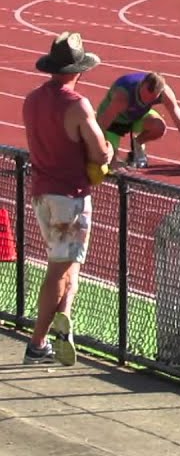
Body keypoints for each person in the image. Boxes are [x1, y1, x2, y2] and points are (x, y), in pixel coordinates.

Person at [21, 32, 113, 366]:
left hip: (42, 192)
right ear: (79, 70)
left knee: (70, 264)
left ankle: (64, 326)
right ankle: (37, 343)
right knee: (59, 270)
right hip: (69, 197)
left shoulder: (32, 100)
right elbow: (100, 152)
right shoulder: (77, 104)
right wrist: (109, 151)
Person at [95, 71, 180, 172]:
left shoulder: (165, 94)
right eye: (143, 97)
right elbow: (101, 125)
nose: (145, 101)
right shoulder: (123, 96)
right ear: (141, 85)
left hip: (137, 116)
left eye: (150, 100)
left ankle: (137, 143)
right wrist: (111, 156)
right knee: (110, 163)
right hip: (114, 121)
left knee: (158, 127)